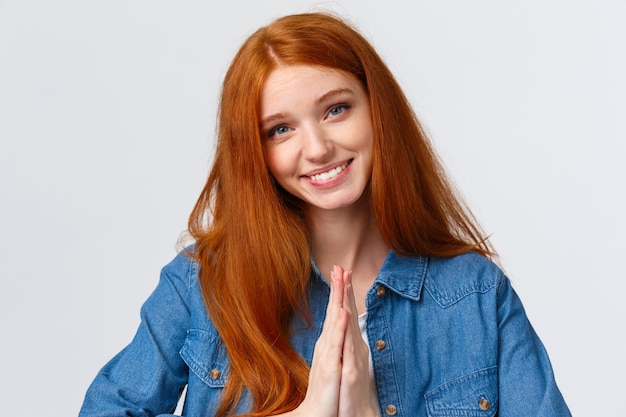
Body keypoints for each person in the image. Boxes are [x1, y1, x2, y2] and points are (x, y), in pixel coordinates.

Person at [79, 12, 571, 417]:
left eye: (336, 110)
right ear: (255, 153)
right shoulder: (201, 285)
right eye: (280, 130)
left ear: (377, 110)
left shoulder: (475, 295)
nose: (317, 148)